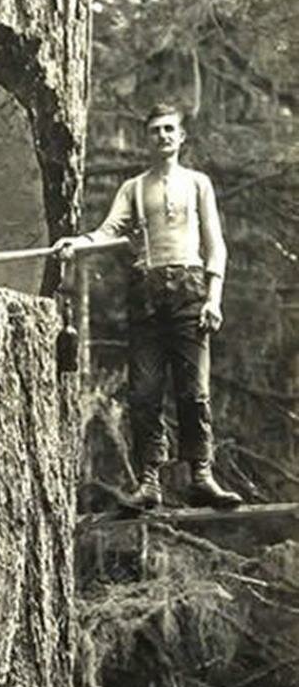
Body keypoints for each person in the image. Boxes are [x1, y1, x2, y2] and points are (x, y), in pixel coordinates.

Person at [55, 102, 241, 510]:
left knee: (194, 392)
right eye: (156, 130)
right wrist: (76, 244)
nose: (163, 136)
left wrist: (214, 298)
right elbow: (105, 232)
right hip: (147, 300)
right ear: (147, 137)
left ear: (181, 136)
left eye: (170, 129)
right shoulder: (134, 189)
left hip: (190, 292)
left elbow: (216, 245)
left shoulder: (198, 184)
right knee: (144, 394)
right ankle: (150, 483)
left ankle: (201, 477)